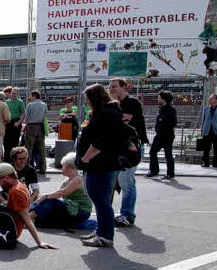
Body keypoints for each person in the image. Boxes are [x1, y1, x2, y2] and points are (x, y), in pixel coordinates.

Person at [76, 83, 126, 248]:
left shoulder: (106, 114)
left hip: (101, 164)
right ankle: (101, 232)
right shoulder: (106, 112)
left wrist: (86, 157)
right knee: (100, 201)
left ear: (94, 98)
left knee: (102, 200)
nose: (86, 102)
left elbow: (101, 141)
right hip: (101, 164)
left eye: (88, 98)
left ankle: (106, 236)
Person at [108, 77, 147, 228]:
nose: (111, 89)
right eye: (110, 87)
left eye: (115, 87)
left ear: (124, 88)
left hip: (132, 148)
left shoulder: (131, 102)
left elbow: (123, 121)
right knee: (118, 179)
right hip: (119, 147)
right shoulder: (113, 104)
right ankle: (114, 214)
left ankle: (127, 215)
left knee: (126, 180)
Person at [0, 163, 57, 249]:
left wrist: (39, 242)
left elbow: (27, 220)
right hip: (3, 225)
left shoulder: (15, 192)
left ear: (7, 178)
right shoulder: (21, 186)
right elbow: (12, 209)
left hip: (4, 230)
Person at [30, 152, 93, 228]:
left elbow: (62, 193)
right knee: (44, 216)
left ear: (70, 167)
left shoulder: (78, 179)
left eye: (63, 166)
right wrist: (41, 197)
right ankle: (30, 219)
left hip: (81, 212)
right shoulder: (67, 180)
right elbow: (56, 194)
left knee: (49, 201)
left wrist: (45, 196)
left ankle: (26, 218)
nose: (62, 168)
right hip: (71, 208)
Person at [147, 90, 177, 179]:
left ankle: (170, 173)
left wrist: (163, 122)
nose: (157, 99)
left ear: (164, 99)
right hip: (159, 135)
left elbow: (173, 123)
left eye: (159, 97)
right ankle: (154, 170)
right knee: (152, 152)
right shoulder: (161, 109)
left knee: (168, 154)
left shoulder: (171, 110)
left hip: (167, 135)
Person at [22, 90, 48, 174]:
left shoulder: (30, 105)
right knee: (41, 149)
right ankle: (43, 169)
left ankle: (27, 167)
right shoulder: (44, 105)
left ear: (34, 96)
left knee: (28, 148)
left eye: (31, 96)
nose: (30, 97)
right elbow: (45, 116)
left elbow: (26, 118)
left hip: (31, 127)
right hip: (41, 127)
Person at [199, 93, 217, 168]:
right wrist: (202, 131)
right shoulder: (206, 109)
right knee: (206, 148)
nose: (209, 99)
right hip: (207, 131)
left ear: (216, 100)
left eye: (211, 98)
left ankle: (215, 163)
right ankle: (206, 163)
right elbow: (203, 121)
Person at [4, 86, 25, 159]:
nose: (13, 95)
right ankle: (6, 157)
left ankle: (14, 157)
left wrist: (19, 122)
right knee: (6, 140)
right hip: (8, 122)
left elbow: (23, 113)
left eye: (15, 94)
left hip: (16, 122)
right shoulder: (7, 102)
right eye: (12, 93)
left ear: (18, 94)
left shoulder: (20, 102)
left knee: (15, 141)